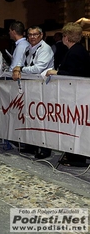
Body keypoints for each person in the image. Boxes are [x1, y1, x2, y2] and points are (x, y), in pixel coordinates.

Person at [46, 22, 90, 166]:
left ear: (66, 37)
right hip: (77, 94)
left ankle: (77, 158)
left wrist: (56, 72)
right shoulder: (77, 50)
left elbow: (72, 73)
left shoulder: (75, 52)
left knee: (75, 126)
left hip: (76, 95)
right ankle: (73, 156)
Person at [12, 26, 54, 159]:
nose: (32, 37)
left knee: (43, 118)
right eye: (30, 35)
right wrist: (17, 68)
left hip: (44, 88)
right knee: (31, 116)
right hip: (32, 88)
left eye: (35, 34)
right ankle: (32, 145)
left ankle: (45, 148)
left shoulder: (45, 49)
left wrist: (21, 69)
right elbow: (20, 62)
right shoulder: (27, 48)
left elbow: (38, 68)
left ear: (41, 35)